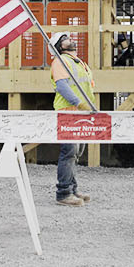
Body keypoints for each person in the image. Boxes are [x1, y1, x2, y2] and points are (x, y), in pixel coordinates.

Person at [49, 32, 95, 206]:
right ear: (60, 46)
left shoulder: (78, 63)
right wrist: (79, 103)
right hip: (69, 111)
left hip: (81, 112)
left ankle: (72, 189)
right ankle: (63, 193)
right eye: (66, 38)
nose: (71, 39)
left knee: (76, 153)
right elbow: (62, 87)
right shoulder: (60, 62)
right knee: (69, 152)